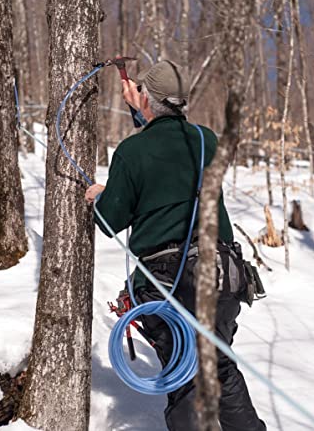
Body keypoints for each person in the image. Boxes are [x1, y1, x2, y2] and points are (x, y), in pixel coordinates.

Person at [85, 60, 266, 431]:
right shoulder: (207, 140)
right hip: (222, 274)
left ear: (147, 97)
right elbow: (170, 156)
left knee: (184, 374)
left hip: (169, 281)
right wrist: (144, 109)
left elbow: (110, 221)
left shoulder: (132, 152)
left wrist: (99, 198)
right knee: (219, 366)